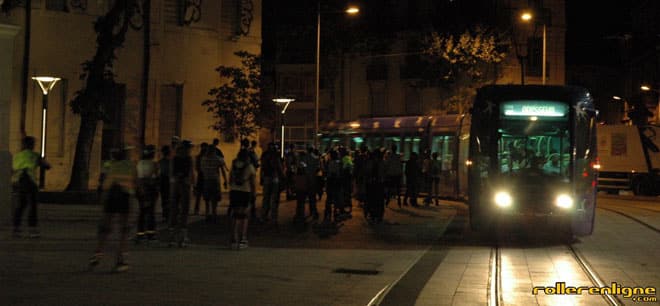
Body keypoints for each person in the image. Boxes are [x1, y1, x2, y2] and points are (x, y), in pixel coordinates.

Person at [89, 146, 136, 272]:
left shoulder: (110, 165)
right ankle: (121, 260)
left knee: (105, 228)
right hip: (124, 197)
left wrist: (103, 201)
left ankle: (97, 255)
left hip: (111, 196)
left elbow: (105, 185)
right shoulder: (130, 166)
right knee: (124, 229)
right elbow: (135, 184)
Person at [12, 136, 51, 238]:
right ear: (31, 145)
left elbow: (13, 168)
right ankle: (32, 230)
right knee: (32, 206)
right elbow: (47, 166)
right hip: (30, 181)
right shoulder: (35, 155)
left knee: (21, 205)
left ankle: (16, 229)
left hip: (19, 181)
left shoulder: (17, 156)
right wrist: (44, 162)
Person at [169, 140, 195, 247]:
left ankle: (172, 238)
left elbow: (171, 172)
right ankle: (182, 237)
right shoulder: (189, 159)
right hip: (184, 185)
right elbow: (191, 173)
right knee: (184, 210)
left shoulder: (174, 158)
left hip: (175, 185)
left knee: (174, 210)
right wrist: (191, 183)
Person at [229, 149, 256, 249]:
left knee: (235, 215)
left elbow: (230, 179)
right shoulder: (249, 167)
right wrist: (254, 194)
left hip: (234, 191)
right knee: (244, 215)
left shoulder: (234, 164)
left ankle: (233, 238)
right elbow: (253, 182)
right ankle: (243, 238)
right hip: (245, 192)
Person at [135, 145, 159, 243]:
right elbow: (156, 176)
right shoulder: (153, 164)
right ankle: (151, 235)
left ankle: (140, 234)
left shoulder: (139, 163)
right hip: (150, 189)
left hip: (141, 190)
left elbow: (138, 177)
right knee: (151, 213)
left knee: (142, 212)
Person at [200, 143, 228, 222]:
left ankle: (207, 214)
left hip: (206, 180)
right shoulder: (218, 159)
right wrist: (225, 180)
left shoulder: (203, 159)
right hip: (215, 180)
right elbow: (222, 170)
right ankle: (214, 213)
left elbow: (202, 169)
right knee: (214, 198)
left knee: (207, 199)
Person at [260, 143, 284, 225]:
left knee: (266, 198)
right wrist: (283, 177)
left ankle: (264, 216)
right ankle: (273, 218)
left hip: (267, 177)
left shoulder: (265, 155)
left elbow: (262, 167)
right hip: (275, 178)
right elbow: (279, 168)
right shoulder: (276, 155)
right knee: (274, 199)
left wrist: (261, 178)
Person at [193, 143, 208, 216]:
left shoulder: (199, 157)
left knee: (200, 195)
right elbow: (197, 168)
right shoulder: (202, 157)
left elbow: (196, 168)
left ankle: (198, 210)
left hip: (201, 176)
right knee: (203, 195)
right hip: (203, 176)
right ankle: (204, 210)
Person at [158, 145, 172, 223]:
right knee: (169, 198)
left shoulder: (160, 162)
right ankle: (168, 214)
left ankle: (165, 214)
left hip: (163, 181)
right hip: (168, 181)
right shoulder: (170, 161)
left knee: (164, 198)